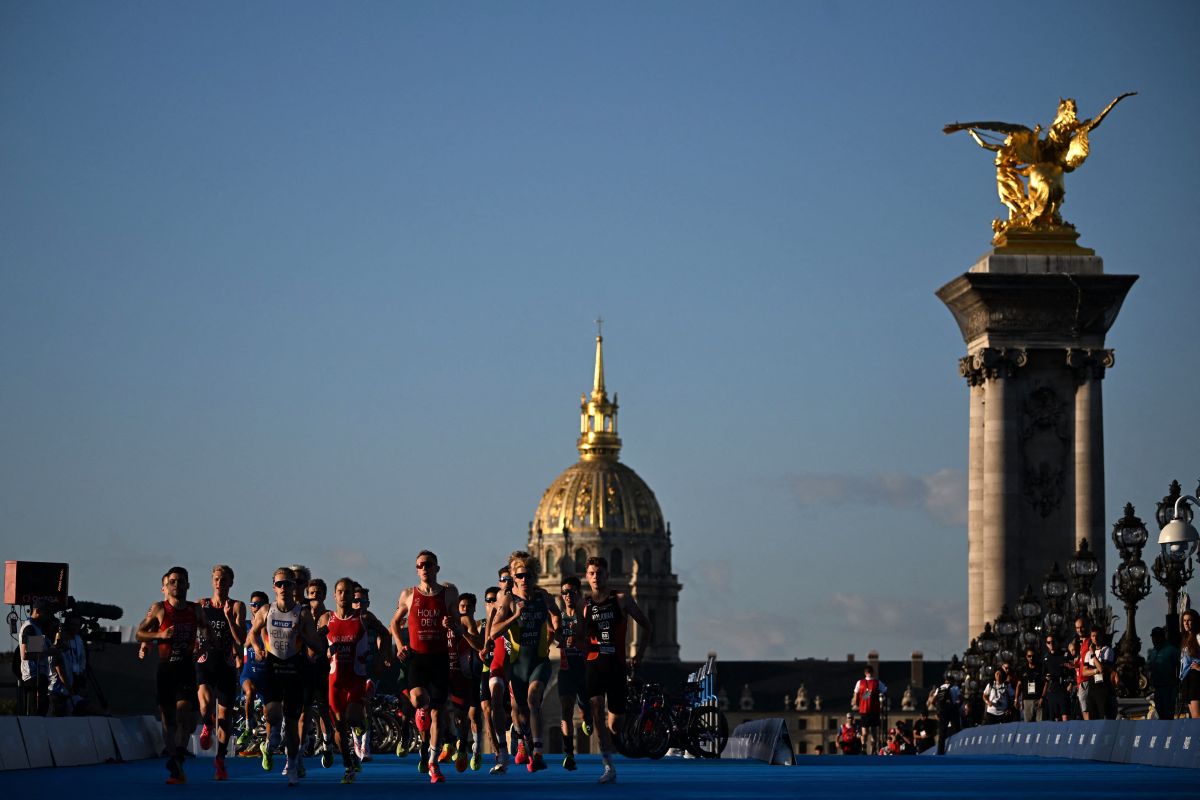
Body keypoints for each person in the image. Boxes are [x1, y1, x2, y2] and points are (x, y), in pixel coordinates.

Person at [248, 566, 325, 786]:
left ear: (294, 587)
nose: (283, 588)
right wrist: (258, 649)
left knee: (292, 723)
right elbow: (252, 633)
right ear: (274, 586)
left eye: (288, 584)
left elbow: (318, 646)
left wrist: (304, 635)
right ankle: (274, 737)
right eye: (279, 584)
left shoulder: (302, 613)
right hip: (272, 669)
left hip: (294, 670)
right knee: (273, 715)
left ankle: (292, 763)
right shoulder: (266, 610)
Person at [390, 550, 461, 784]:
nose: (424, 568)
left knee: (438, 714)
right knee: (419, 699)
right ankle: (420, 711)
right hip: (418, 657)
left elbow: (457, 625)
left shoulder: (449, 593)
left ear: (436, 568)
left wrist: (450, 623)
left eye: (428, 565)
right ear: (416, 569)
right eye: (420, 565)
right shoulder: (409, 594)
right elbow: (394, 622)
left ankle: (433, 762)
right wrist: (400, 644)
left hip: (439, 657)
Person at [135, 567, 211, 785]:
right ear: (166, 587)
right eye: (173, 582)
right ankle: (175, 765)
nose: (177, 585)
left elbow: (206, 630)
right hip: (166, 669)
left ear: (188, 585)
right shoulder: (160, 609)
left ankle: (178, 756)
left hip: (186, 668)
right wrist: (159, 634)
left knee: (183, 713)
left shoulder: (195, 609)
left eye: (181, 582)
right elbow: (140, 632)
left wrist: (204, 645)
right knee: (168, 721)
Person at [488, 550, 561, 774]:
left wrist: (555, 633)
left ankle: (538, 752)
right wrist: (514, 617)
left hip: (539, 661)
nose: (524, 580)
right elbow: (493, 632)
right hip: (517, 664)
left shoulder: (544, 596)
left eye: (528, 576)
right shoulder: (509, 600)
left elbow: (556, 615)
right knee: (519, 713)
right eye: (520, 576)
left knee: (533, 700)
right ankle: (524, 738)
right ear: (513, 577)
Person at [583, 555, 652, 784]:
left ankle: (620, 735)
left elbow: (646, 625)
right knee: (596, 715)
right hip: (593, 665)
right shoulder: (585, 605)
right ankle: (608, 765)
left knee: (615, 724)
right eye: (591, 573)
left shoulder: (621, 599)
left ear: (607, 575)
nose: (595, 577)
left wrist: (638, 654)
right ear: (586, 576)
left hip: (616, 666)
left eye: (599, 573)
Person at [325, 576, 392, 784]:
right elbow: (314, 644)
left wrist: (383, 657)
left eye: (348, 592)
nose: (344, 596)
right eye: (340, 592)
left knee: (352, 718)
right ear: (335, 595)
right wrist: (324, 652)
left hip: (356, 679)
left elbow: (386, 634)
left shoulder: (364, 617)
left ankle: (361, 724)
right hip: (335, 681)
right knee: (338, 726)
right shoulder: (326, 618)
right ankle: (348, 765)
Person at [195, 564, 246, 780]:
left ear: (231, 583)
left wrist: (228, 618)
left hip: (226, 664)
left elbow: (241, 639)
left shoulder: (236, 606)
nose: (219, 583)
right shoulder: (202, 604)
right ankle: (207, 724)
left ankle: (220, 760)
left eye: (223, 580)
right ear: (212, 581)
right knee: (205, 706)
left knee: (225, 718)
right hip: (205, 661)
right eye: (216, 579)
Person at [555, 575, 595, 770]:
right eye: (564, 592)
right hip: (565, 668)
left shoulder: (586, 614)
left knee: (585, 704)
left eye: (571, 592)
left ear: (578, 594)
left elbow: (590, 637)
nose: (567, 595)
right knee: (565, 710)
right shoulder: (558, 617)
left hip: (584, 667)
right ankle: (569, 752)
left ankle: (587, 716)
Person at [304, 577, 336, 768]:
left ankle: (327, 744)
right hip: (305, 669)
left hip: (323, 668)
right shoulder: (302, 614)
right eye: (312, 593)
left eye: (318, 593)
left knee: (325, 711)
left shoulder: (329, 616)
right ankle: (301, 748)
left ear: (324, 595)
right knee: (303, 711)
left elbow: (331, 635)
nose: (314, 596)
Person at [237, 591, 270, 752]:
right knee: (250, 692)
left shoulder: (271, 626)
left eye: (259, 604)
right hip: (249, 673)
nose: (256, 607)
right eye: (253, 604)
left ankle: (265, 744)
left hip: (266, 676)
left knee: (269, 713)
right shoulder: (248, 626)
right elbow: (243, 642)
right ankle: (248, 728)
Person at [18, 600, 52, 716]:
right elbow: (27, 654)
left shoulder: (36, 627)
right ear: (37, 611)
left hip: (38, 676)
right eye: (46, 613)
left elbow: (36, 651)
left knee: (42, 708)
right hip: (34, 677)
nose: (48, 617)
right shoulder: (30, 628)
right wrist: (49, 652)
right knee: (36, 711)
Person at [1146, 626, 1180, 719]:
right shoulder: (1153, 652)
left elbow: (1180, 667)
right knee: (1159, 715)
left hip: (1169, 688)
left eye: (1157, 636)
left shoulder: (1172, 650)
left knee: (1168, 715)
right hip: (1157, 689)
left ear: (1162, 637)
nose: (1154, 639)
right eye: (1153, 637)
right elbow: (1149, 668)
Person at [1082, 628, 1115, 720]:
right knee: (1092, 717)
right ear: (1090, 638)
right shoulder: (1088, 654)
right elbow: (1084, 672)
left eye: (1097, 636)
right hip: (1092, 689)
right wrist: (1095, 671)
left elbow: (1101, 669)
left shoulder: (1108, 650)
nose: (1095, 638)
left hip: (1103, 689)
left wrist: (1093, 654)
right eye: (1093, 636)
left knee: (1103, 716)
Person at [852, 666, 887, 751]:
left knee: (864, 732)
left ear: (865, 673)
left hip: (864, 710)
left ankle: (864, 746)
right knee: (874, 731)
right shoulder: (877, 682)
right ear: (873, 672)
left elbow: (856, 696)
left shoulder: (860, 682)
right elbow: (885, 691)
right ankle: (873, 747)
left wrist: (857, 704)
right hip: (874, 710)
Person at [1040, 634, 1071, 722]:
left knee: (1065, 717)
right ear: (1046, 644)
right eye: (1049, 642)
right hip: (1052, 690)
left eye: (1053, 642)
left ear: (1056, 642)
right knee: (1055, 718)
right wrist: (1046, 677)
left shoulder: (1064, 654)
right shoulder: (1046, 658)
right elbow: (1044, 676)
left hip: (1063, 689)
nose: (1051, 644)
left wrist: (1071, 684)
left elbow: (1072, 670)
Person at [1177, 609, 1200, 718]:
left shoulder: (1198, 636)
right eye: (1184, 620)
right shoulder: (1185, 639)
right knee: (1192, 715)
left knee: (1197, 716)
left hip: (1195, 678)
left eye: (1189, 620)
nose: (1186, 623)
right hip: (1187, 678)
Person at [931, 675, 961, 755]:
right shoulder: (955, 688)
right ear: (952, 681)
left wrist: (938, 708)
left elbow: (932, 701)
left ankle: (940, 752)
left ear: (945, 681)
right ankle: (957, 749)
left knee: (942, 733)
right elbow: (959, 699)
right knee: (956, 730)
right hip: (952, 711)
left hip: (943, 712)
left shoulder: (940, 688)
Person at [1016, 648, 1043, 723]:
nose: (1031, 658)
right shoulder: (1023, 669)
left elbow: (1045, 683)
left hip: (1038, 698)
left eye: (1033, 656)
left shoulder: (1040, 668)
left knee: (1039, 722)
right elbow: (1019, 685)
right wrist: (1016, 699)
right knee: (1028, 723)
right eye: (1029, 656)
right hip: (1027, 699)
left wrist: (1042, 697)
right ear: (1026, 657)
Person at [1073, 616, 1092, 719]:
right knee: (1083, 708)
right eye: (1077, 628)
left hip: (1086, 680)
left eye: (1081, 627)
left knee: (1086, 709)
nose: (1079, 630)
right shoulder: (1081, 643)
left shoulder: (1089, 642)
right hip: (1080, 680)